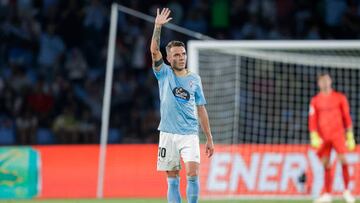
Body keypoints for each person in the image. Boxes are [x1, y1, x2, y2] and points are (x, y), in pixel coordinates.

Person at [150, 8, 214, 203]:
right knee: (173, 180)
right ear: (169, 58)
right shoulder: (164, 74)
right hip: (168, 133)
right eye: (176, 55)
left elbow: (201, 109)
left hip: (189, 134)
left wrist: (209, 138)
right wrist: (157, 26)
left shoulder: (195, 79)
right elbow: (154, 50)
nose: (181, 57)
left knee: (193, 174)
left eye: (183, 54)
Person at [309, 73, 356, 203]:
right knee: (325, 163)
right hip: (323, 137)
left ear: (330, 81)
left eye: (326, 80)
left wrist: (350, 135)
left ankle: (347, 191)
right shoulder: (315, 101)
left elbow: (347, 117)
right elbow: (312, 119)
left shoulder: (339, 98)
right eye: (321, 81)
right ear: (318, 83)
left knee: (343, 160)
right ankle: (327, 194)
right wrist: (313, 135)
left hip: (338, 135)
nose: (324, 83)